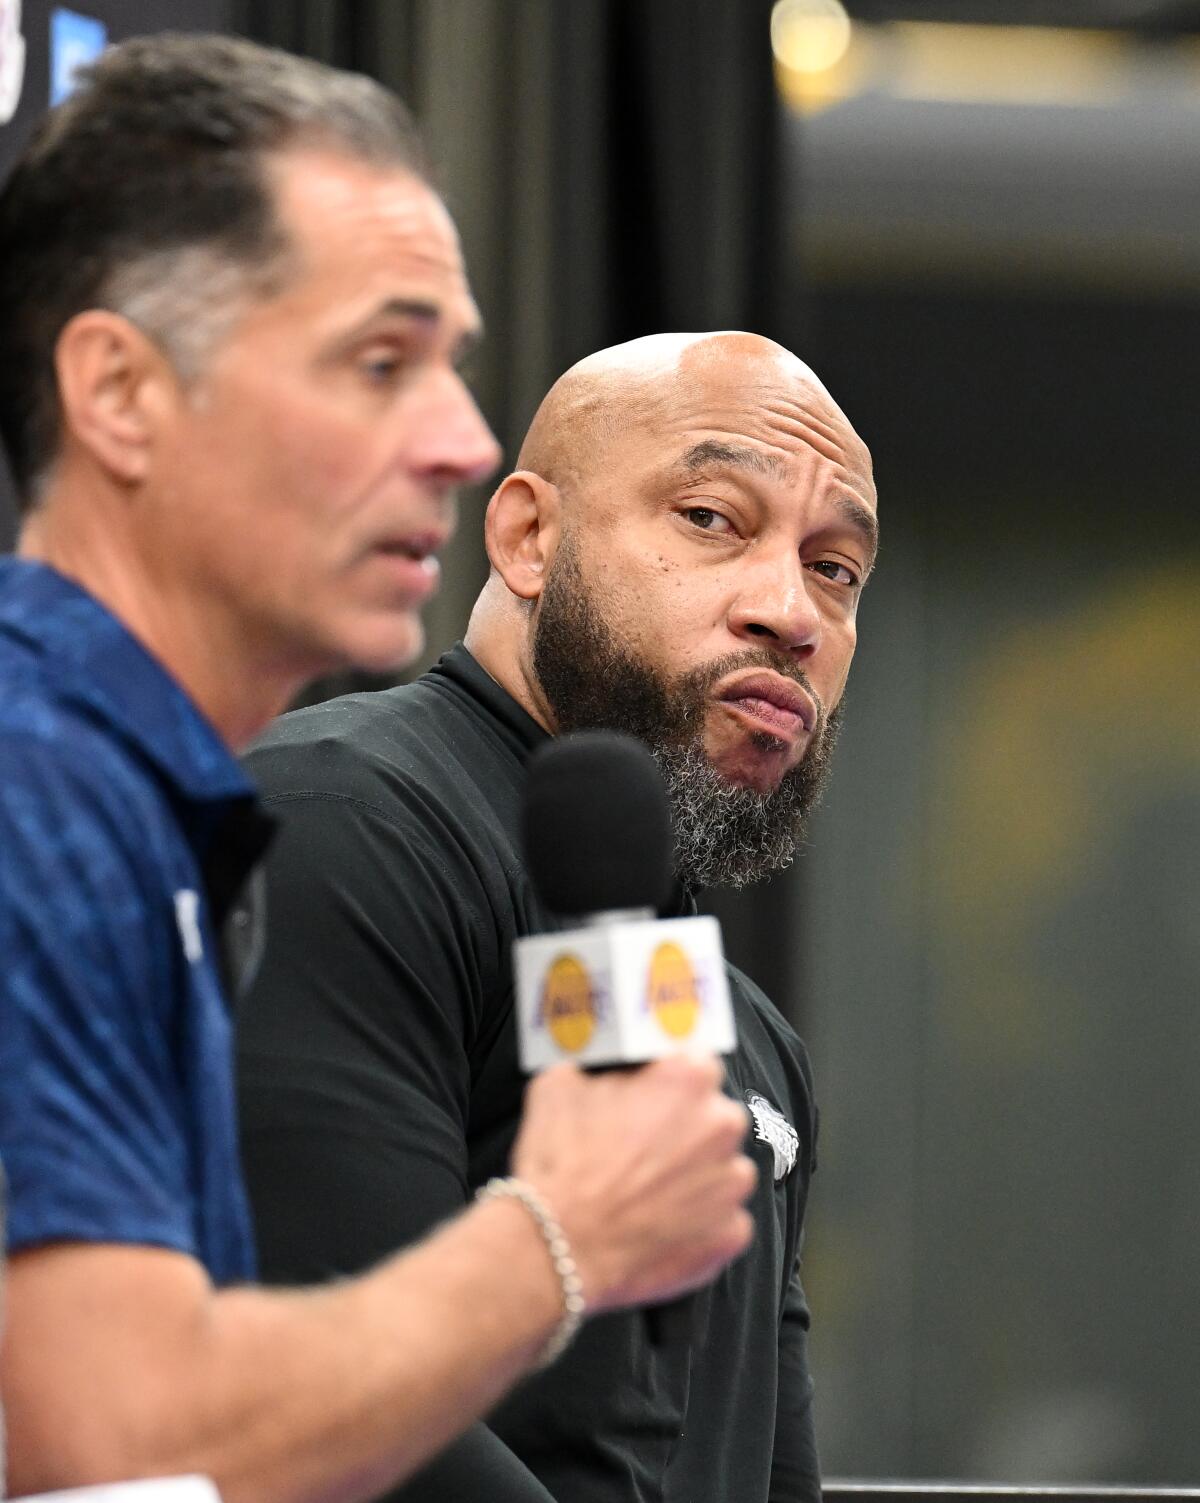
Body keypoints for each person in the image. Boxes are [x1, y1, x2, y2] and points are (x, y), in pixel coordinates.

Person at [0, 37, 759, 1501]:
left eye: (453, 367)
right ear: (121, 393)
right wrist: (559, 1229)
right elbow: (115, 1439)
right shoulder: (39, 782)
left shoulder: (141, 806)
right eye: (378, 361)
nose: (461, 441)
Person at [238, 331, 880, 1502]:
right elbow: (317, 1382)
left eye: (837, 570)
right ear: (529, 536)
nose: (791, 611)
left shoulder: (750, 1039)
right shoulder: (340, 824)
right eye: (711, 518)